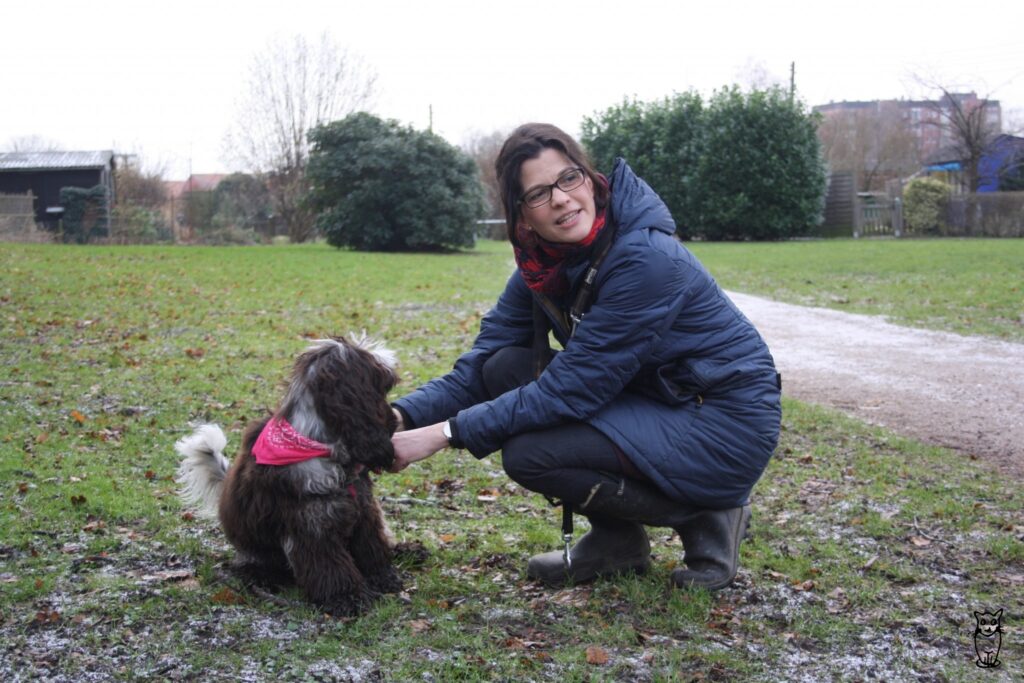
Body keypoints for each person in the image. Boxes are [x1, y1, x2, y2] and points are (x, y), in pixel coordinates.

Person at [390, 123, 781, 590]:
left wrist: (444, 434)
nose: (560, 199)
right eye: (537, 194)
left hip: (722, 423)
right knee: (504, 368)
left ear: (592, 179)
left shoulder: (646, 260)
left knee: (531, 454)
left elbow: (571, 390)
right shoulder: (544, 268)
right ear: (521, 216)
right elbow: (479, 366)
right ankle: (618, 545)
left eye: (568, 178)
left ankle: (707, 515)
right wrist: (397, 417)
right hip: (658, 402)